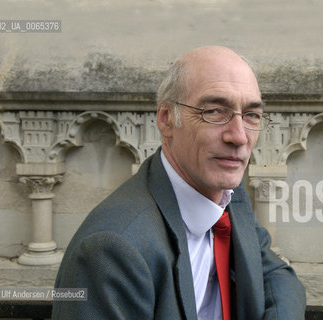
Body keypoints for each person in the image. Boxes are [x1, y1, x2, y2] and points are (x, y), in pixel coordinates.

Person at [52, 46, 306, 320]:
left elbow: (274, 275)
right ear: (166, 119)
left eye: (251, 115)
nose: (240, 137)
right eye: (215, 112)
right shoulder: (111, 251)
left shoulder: (226, 191)